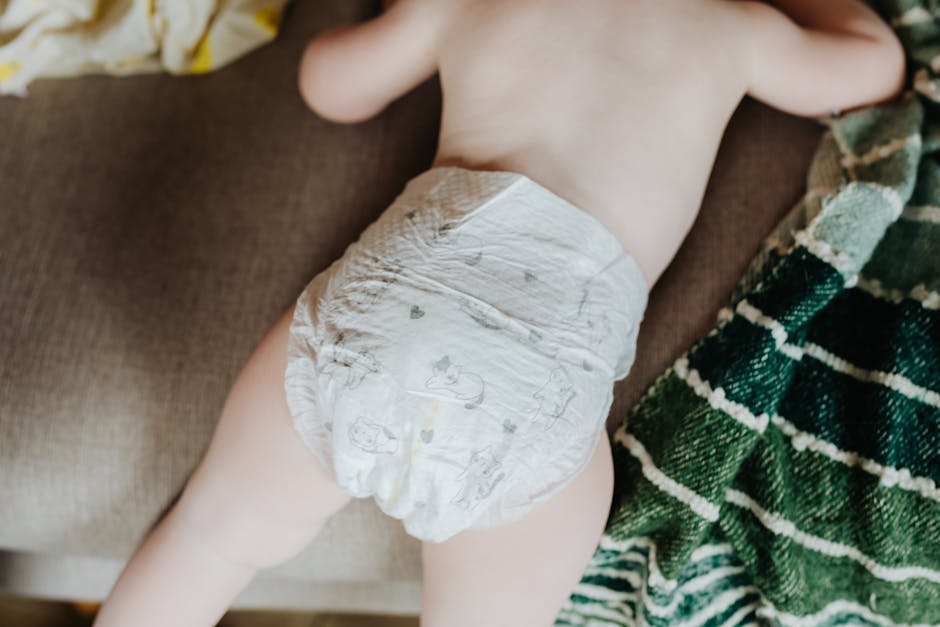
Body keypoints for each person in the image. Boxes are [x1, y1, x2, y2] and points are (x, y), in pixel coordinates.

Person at [93, 1, 905, 625]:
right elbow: (872, 70)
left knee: (208, 538)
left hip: (382, 315)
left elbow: (329, 87)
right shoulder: (733, 26)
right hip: (538, 380)